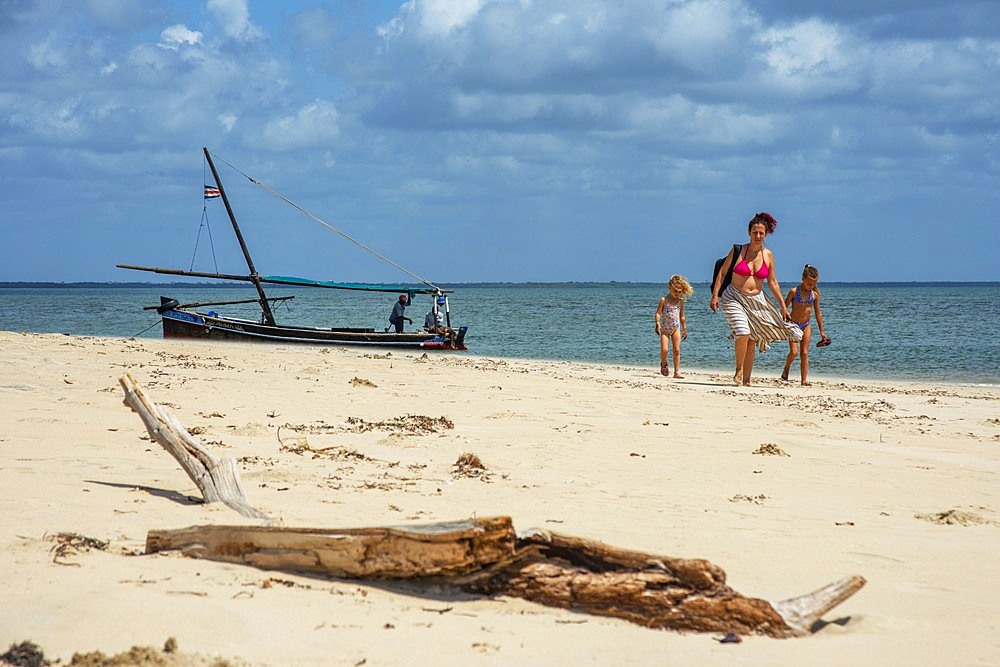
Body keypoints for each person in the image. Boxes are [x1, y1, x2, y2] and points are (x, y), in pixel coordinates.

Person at [709, 212, 803, 386]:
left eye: (761, 233)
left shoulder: (768, 255)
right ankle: (738, 370)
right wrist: (715, 296)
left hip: (757, 301)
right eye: (754, 232)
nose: (758, 236)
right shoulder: (738, 250)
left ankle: (746, 380)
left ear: (766, 234)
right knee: (743, 332)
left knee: (752, 339)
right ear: (749, 233)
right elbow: (722, 273)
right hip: (733, 297)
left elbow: (773, 282)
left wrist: (783, 306)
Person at [781, 264, 830, 386]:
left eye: (814, 284)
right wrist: (780, 323)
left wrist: (822, 332)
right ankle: (787, 367)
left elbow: (818, 313)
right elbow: (784, 308)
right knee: (794, 352)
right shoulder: (794, 292)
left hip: (806, 325)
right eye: (809, 284)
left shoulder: (814, 295)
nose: (811, 286)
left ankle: (803, 380)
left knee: (804, 353)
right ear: (802, 279)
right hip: (793, 325)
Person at [654, 275, 693, 378]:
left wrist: (685, 328)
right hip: (665, 328)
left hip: (676, 327)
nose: (677, 293)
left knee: (676, 350)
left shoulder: (680, 302)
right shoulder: (664, 300)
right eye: (675, 291)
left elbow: (682, 316)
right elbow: (658, 313)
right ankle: (663, 363)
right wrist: (657, 324)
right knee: (665, 350)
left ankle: (677, 372)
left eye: (680, 291)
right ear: (669, 287)